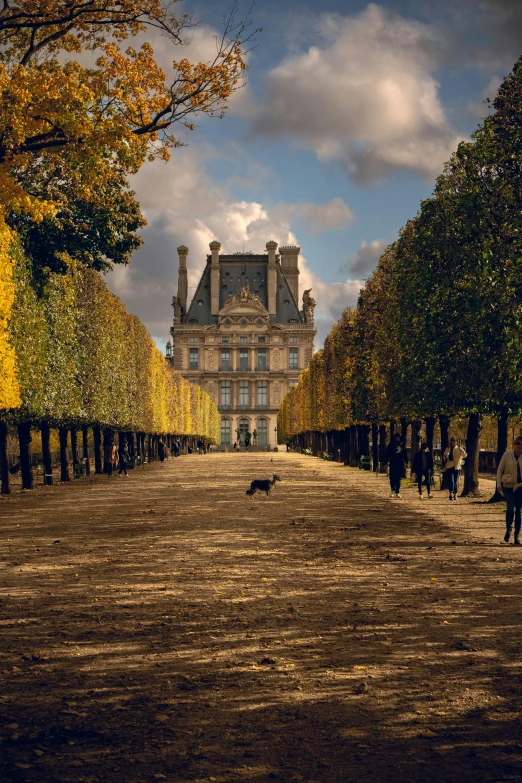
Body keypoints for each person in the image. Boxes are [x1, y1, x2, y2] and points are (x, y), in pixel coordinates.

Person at [496, 436, 522, 545]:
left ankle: (517, 535)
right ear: (514, 444)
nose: (520, 446)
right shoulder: (507, 455)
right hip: (508, 486)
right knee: (511, 508)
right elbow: (500, 469)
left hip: (520, 487)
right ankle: (508, 529)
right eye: (518, 443)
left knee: (519, 511)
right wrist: (498, 485)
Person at [384, 432, 408, 498]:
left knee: (398, 478)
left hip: (400, 464)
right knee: (392, 478)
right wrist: (385, 463)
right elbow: (387, 454)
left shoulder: (402, 445)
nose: (397, 439)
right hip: (392, 463)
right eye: (396, 438)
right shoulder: (391, 444)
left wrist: (406, 462)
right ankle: (392, 490)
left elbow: (405, 454)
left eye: (398, 438)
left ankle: (397, 491)